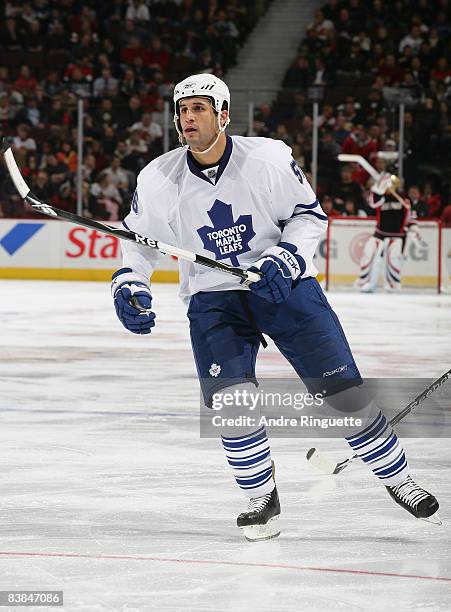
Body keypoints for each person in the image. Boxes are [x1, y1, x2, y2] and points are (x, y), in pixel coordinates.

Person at [111, 74, 439, 541]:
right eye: (182, 110)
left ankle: (399, 480)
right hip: (214, 298)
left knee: (342, 391)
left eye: (200, 108)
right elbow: (140, 243)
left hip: (284, 288)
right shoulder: (159, 178)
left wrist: (284, 258)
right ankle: (261, 499)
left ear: (223, 115)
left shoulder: (267, 158)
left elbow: (308, 215)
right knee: (231, 405)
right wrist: (130, 282)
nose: (188, 118)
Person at [357, 174, 420, 293]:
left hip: (397, 235)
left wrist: (414, 227)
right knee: (368, 254)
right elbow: (373, 203)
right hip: (379, 233)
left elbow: (411, 216)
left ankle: (393, 284)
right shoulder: (382, 197)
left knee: (393, 259)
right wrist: (377, 189)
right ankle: (365, 281)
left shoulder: (404, 199)